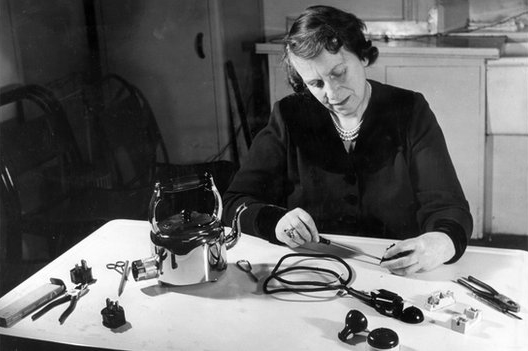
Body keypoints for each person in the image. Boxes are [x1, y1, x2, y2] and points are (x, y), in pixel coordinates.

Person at [222, 5, 473, 275]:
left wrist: (440, 243)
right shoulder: (289, 116)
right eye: (316, 84)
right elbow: (235, 202)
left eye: (338, 73)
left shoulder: (409, 110)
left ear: (363, 57)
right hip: (315, 272)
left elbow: (449, 206)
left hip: (397, 273)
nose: (332, 93)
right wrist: (275, 222)